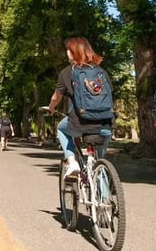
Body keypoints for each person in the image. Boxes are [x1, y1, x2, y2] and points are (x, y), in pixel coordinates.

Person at [45, 37, 113, 178]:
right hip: (105, 123)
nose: (67, 53)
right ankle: (103, 192)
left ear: (74, 52)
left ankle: (72, 162)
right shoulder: (101, 71)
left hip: (80, 122)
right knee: (99, 164)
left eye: (68, 50)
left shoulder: (67, 72)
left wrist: (51, 108)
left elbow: (56, 97)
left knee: (61, 129)